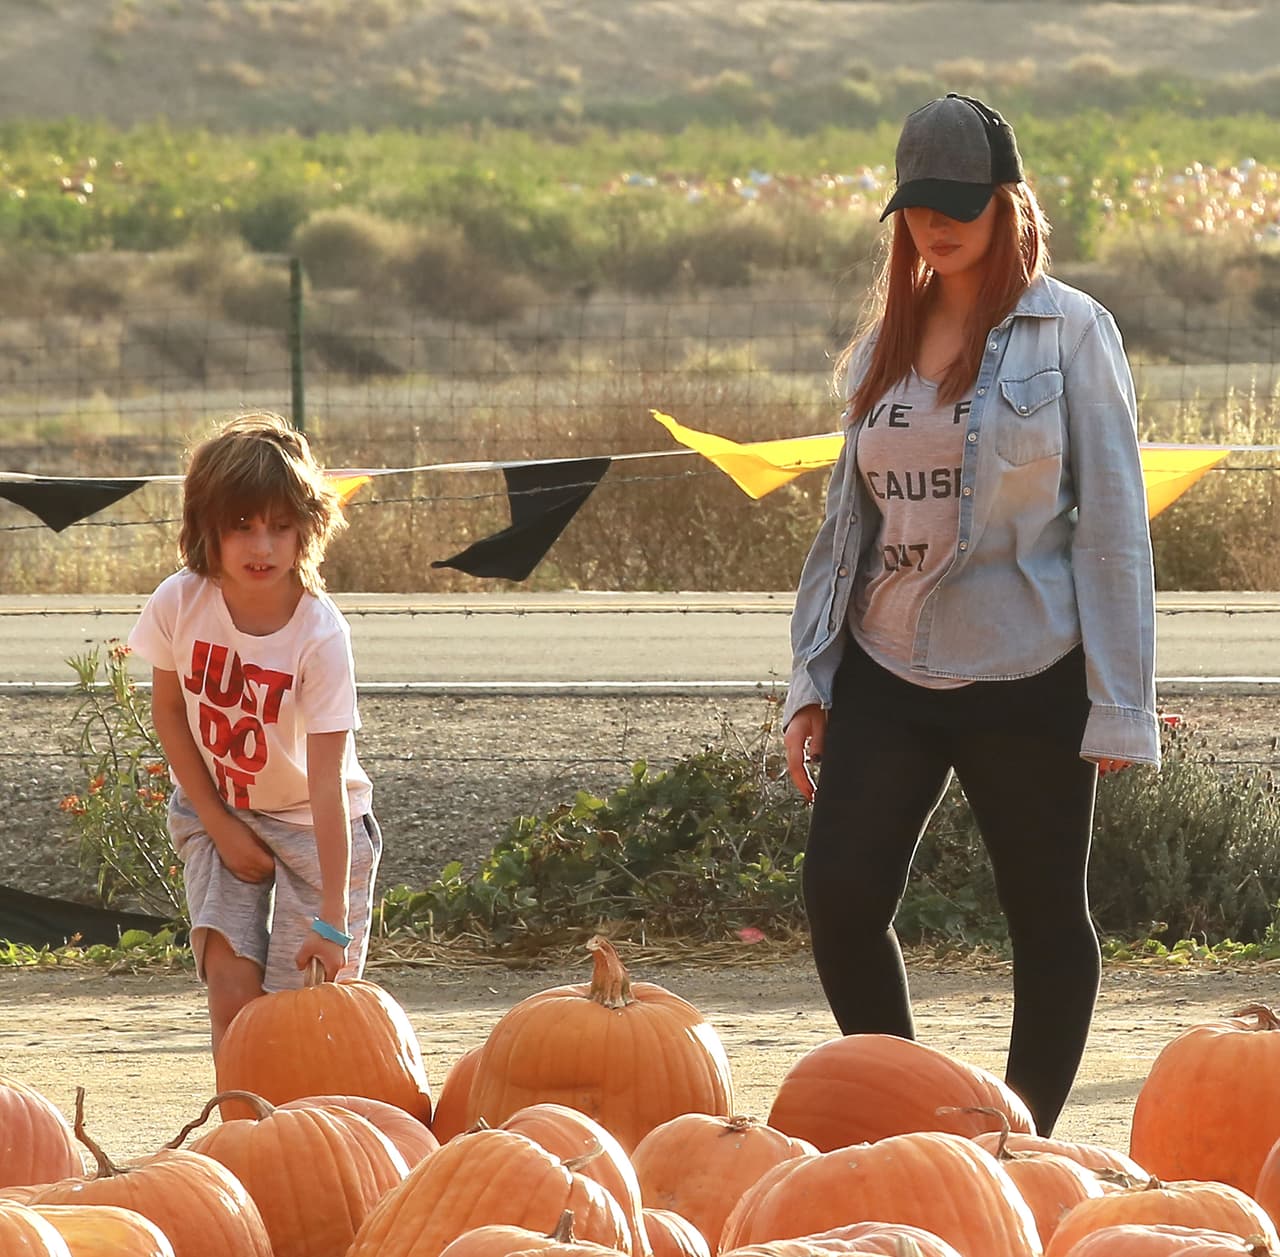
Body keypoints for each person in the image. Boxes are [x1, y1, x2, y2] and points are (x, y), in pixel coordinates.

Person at [782, 94, 1159, 1137]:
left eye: (955, 204)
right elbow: (842, 528)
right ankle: (907, 1125)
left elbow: (1112, 526)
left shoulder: (1072, 335)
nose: (933, 225)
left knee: (1041, 920)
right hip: (884, 666)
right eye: (914, 206)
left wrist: (1119, 700)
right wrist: (810, 680)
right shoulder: (880, 346)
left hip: (1028, 671)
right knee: (841, 899)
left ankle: (1015, 1143)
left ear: (1004, 205)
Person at [128, 411, 379, 1052]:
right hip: (219, 809)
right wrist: (219, 825)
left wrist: (333, 919)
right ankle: (240, 1134)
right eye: (241, 526)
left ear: (308, 532)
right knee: (234, 1000)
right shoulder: (179, 602)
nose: (261, 546)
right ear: (206, 527)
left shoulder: (320, 636)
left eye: (280, 527)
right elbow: (170, 715)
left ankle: (316, 1138)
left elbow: (327, 783)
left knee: (308, 1015)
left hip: (313, 828)